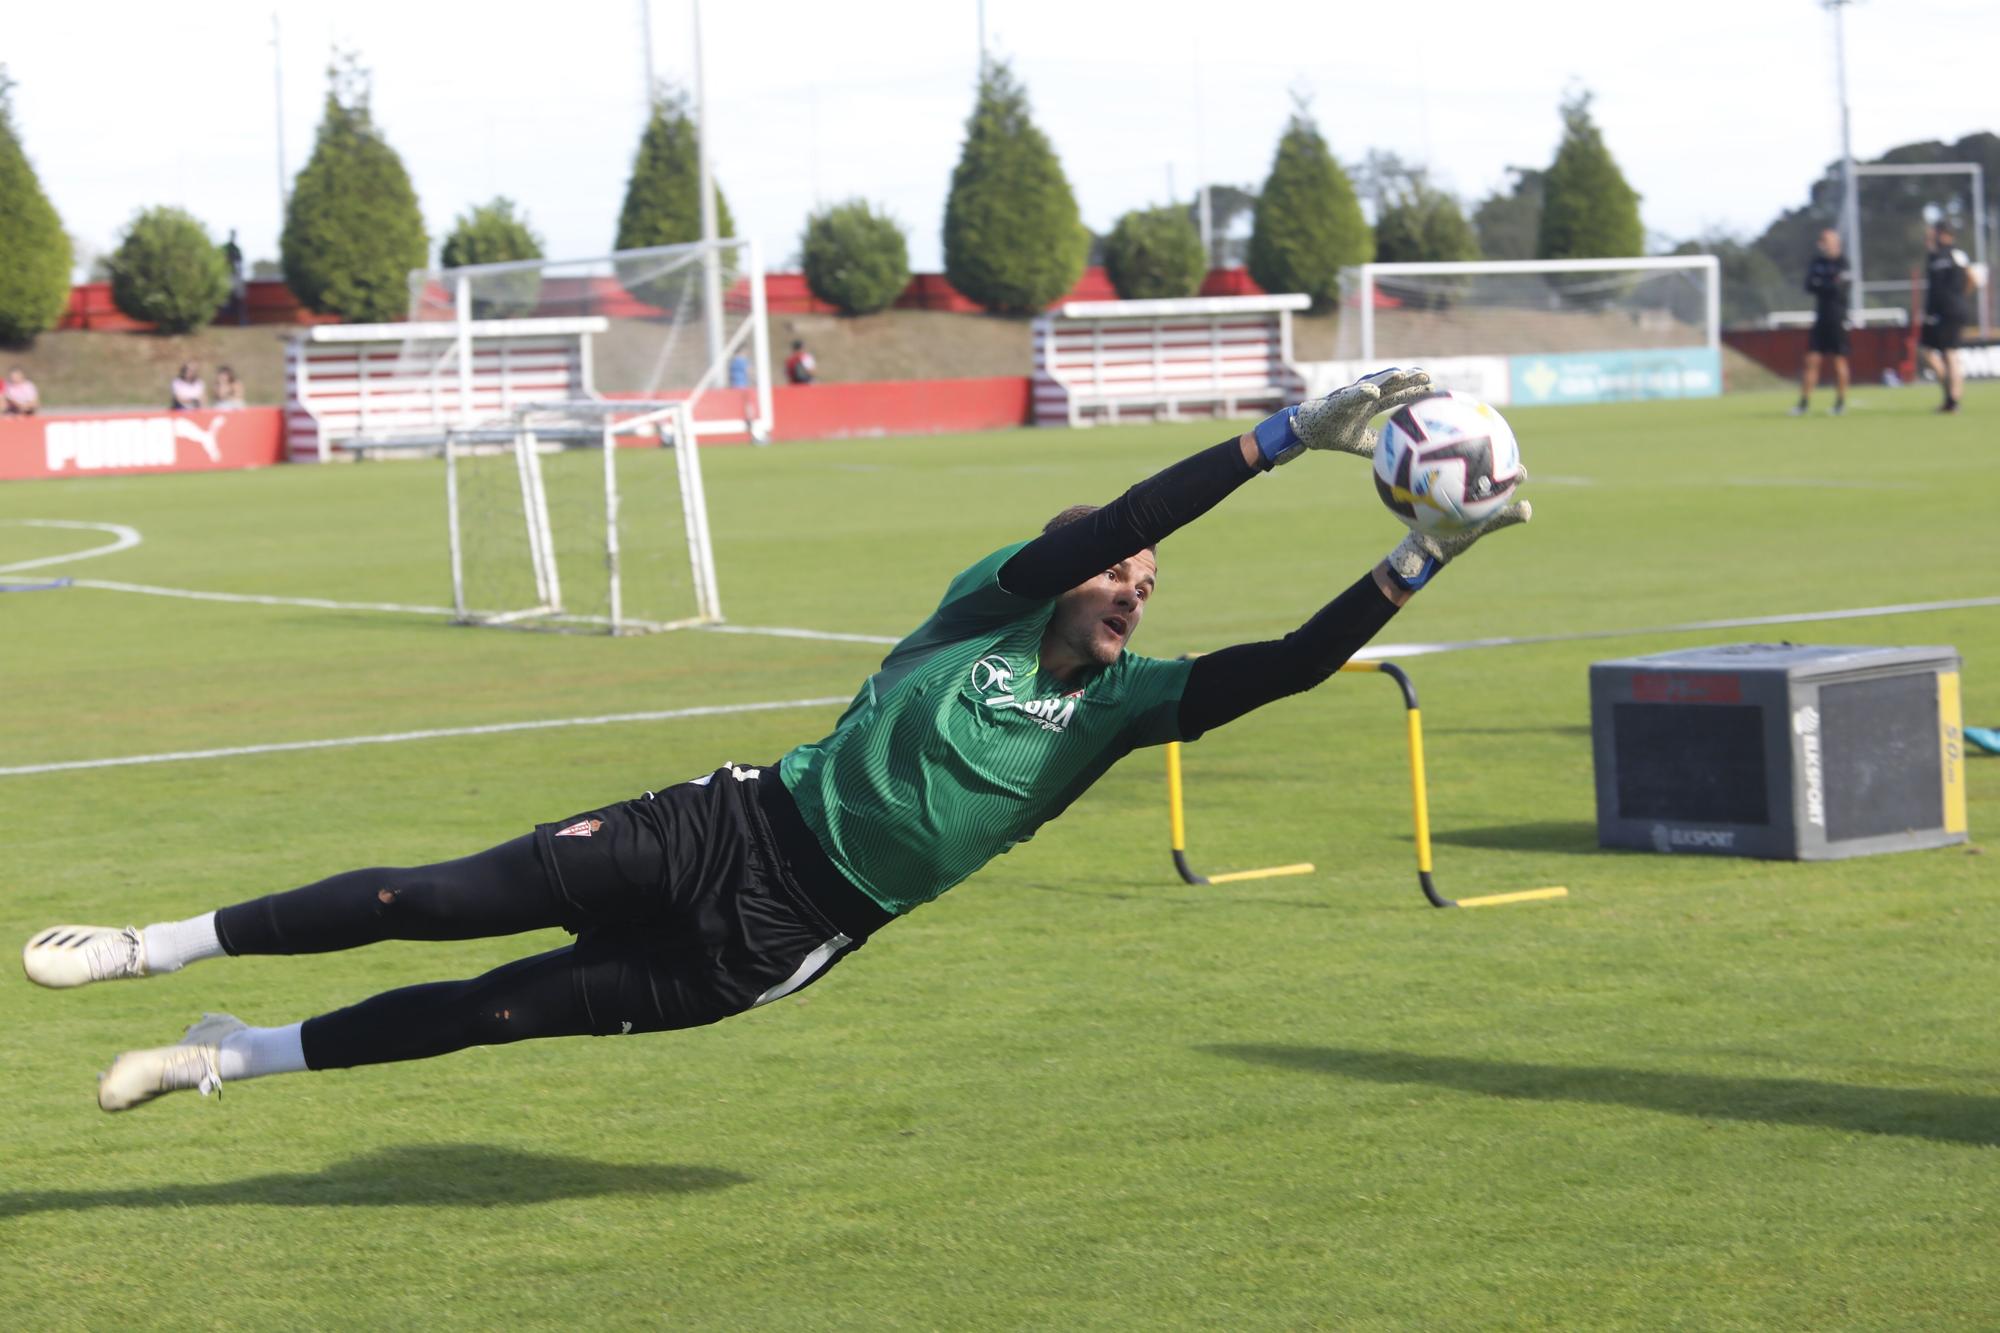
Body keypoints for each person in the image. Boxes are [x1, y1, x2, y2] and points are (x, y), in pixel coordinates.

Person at [22, 368, 1531, 1113]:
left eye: (1149, 579)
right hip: (733, 823)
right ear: (1062, 567)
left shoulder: (1126, 709)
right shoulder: (976, 618)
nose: (1140, 579)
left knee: (501, 1011)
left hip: (787, 932)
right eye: (1122, 566)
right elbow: (1129, 510)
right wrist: (1280, 438)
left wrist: (1430, 555)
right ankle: (156, 949)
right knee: (439, 895)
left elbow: (1289, 666)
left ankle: (227, 1060)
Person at [1920, 221, 1978, 414]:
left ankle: (1953, 399)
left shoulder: (1957, 254)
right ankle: (1950, 396)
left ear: (1945, 234)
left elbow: (1972, 278)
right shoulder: (1934, 256)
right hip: (1935, 313)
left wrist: (1959, 297)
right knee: (1928, 352)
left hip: (1952, 311)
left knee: (1950, 352)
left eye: (1936, 233)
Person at [1792, 227, 1850, 417]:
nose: (1824, 245)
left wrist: (1823, 284)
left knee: (1838, 361)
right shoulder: (1817, 262)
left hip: (1838, 318)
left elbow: (1838, 288)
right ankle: (1803, 403)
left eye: (1827, 241)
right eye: (1822, 241)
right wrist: (1826, 284)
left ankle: (1840, 402)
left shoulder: (1843, 263)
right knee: (1811, 360)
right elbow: (1809, 285)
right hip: (1821, 317)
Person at [222, 229, 247, 326]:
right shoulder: (225, 247)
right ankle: (224, 320)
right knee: (225, 297)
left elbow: (240, 263)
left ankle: (242, 319)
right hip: (226, 275)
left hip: (236, 275)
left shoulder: (237, 249)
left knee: (240, 297)